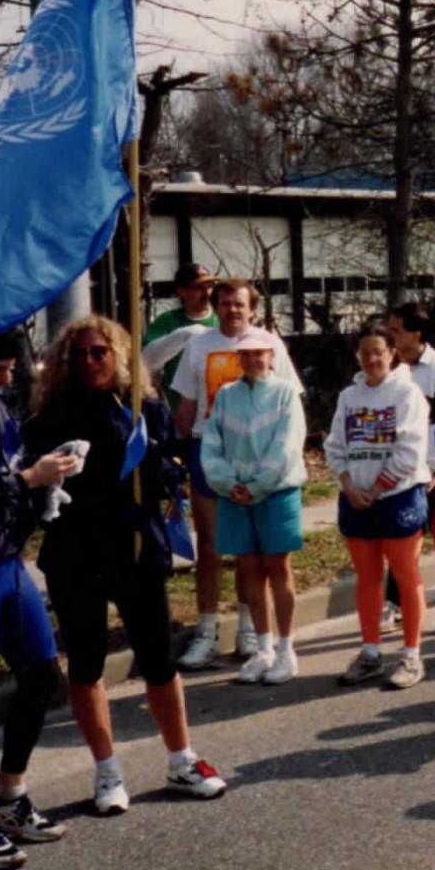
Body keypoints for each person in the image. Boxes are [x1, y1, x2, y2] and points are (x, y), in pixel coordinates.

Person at [25, 317, 226, 814]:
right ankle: (107, 772)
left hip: (135, 549)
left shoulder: (142, 407)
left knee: (158, 661)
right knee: (87, 664)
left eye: (100, 352)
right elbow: (31, 482)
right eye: (81, 354)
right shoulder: (50, 415)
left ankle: (181, 760)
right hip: (75, 553)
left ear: (117, 356)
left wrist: (159, 465)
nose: (91, 361)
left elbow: (167, 470)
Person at [171, 278, 303, 669]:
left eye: (239, 304)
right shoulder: (198, 345)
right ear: (216, 306)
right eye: (225, 304)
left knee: (258, 553)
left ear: (252, 308)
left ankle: (251, 632)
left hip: (263, 460)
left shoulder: (269, 343)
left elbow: (291, 405)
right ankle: (207, 631)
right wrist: (180, 459)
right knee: (211, 545)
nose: (232, 310)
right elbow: (186, 408)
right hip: (211, 453)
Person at [0, 331, 82, 870]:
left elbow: (12, 467)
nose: (5, 379)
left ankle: (6, 794)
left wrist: (49, 471)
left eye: (8, 369)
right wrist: (28, 478)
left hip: (6, 561)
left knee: (43, 676)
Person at [324, 325, 431, 689]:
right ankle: (371, 652)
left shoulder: (408, 393)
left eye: (378, 352)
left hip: (398, 495)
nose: (372, 359)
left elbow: (410, 448)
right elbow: (335, 445)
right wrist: (350, 485)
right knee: (367, 577)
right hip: (356, 498)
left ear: (392, 354)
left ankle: (412, 656)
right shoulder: (349, 397)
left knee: (405, 575)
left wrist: (378, 487)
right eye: (365, 352)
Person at [200, 331, 307, 685]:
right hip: (235, 495)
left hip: (276, 492)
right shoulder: (227, 395)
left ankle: (287, 649)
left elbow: (287, 445)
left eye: (260, 354)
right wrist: (229, 483)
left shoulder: (286, 393)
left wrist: (258, 484)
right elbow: (211, 445)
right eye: (246, 355)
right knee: (249, 570)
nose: (253, 361)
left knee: (278, 565)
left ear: (271, 356)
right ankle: (264, 649)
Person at [384, 303, 435, 637]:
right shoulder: (388, 365)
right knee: (401, 539)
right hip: (399, 469)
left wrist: (434, 467)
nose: (390, 336)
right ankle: (395, 603)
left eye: (396, 330)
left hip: (434, 470)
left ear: (416, 334)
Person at [142, 263, 217, 409]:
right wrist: (186, 334)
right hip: (180, 408)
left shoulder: (222, 319)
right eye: (199, 287)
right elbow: (146, 360)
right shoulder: (167, 322)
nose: (207, 293)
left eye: (210, 286)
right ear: (181, 291)